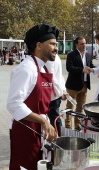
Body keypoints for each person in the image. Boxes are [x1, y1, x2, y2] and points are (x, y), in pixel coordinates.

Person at [6, 24, 59, 170]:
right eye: (52, 44)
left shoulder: (42, 67)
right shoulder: (26, 69)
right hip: (26, 130)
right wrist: (42, 120)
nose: (56, 48)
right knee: (25, 166)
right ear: (39, 45)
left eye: (56, 44)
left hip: (38, 129)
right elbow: (13, 104)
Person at [65, 36, 95, 130]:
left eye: (85, 43)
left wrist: (94, 69)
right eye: (82, 44)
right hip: (72, 87)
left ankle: (77, 126)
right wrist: (82, 70)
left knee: (80, 108)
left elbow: (90, 65)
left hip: (84, 86)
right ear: (76, 45)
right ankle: (68, 127)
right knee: (70, 107)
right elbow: (69, 68)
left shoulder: (88, 55)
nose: (84, 45)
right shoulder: (71, 54)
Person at [45, 53, 67, 136]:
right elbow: (59, 76)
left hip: (52, 95)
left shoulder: (50, 57)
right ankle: (59, 138)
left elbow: (53, 77)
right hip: (55, 94)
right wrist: (62, 90)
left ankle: (59, 140)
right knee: (55, 119)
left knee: (54, 119)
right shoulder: (55, 56)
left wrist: (61, 92)